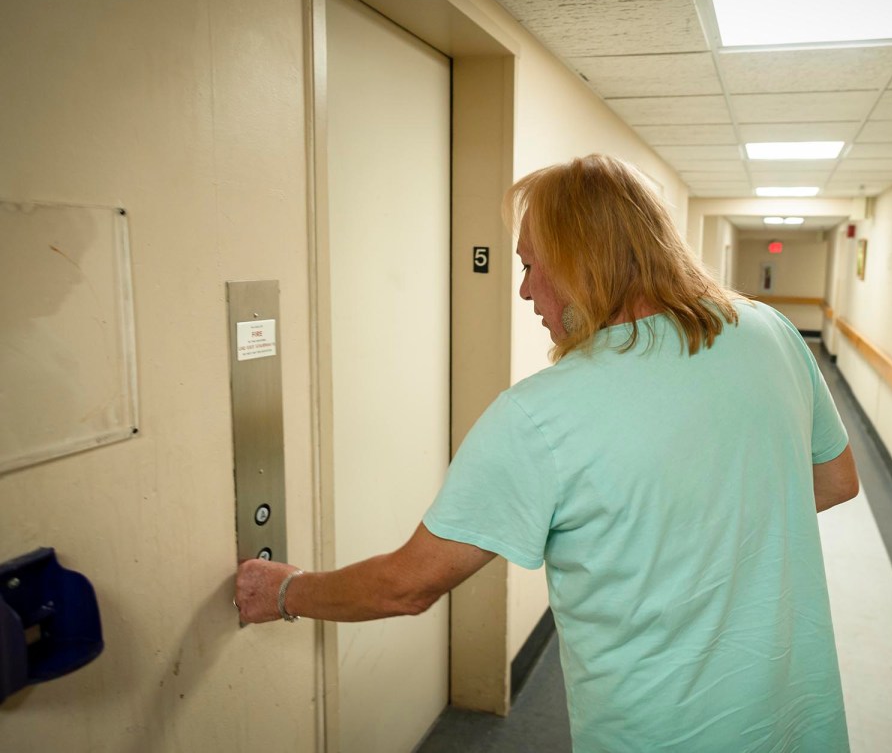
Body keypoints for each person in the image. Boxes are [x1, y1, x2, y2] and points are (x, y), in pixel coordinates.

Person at [236, 153, 859, 751]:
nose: (526, 291)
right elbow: (835, 481)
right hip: (799, 715)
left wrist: (287, 591)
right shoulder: (769, 331)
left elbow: (409, 585)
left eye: (533, 265)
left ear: (584, 260)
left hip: (663, 732)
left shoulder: (541, 414)